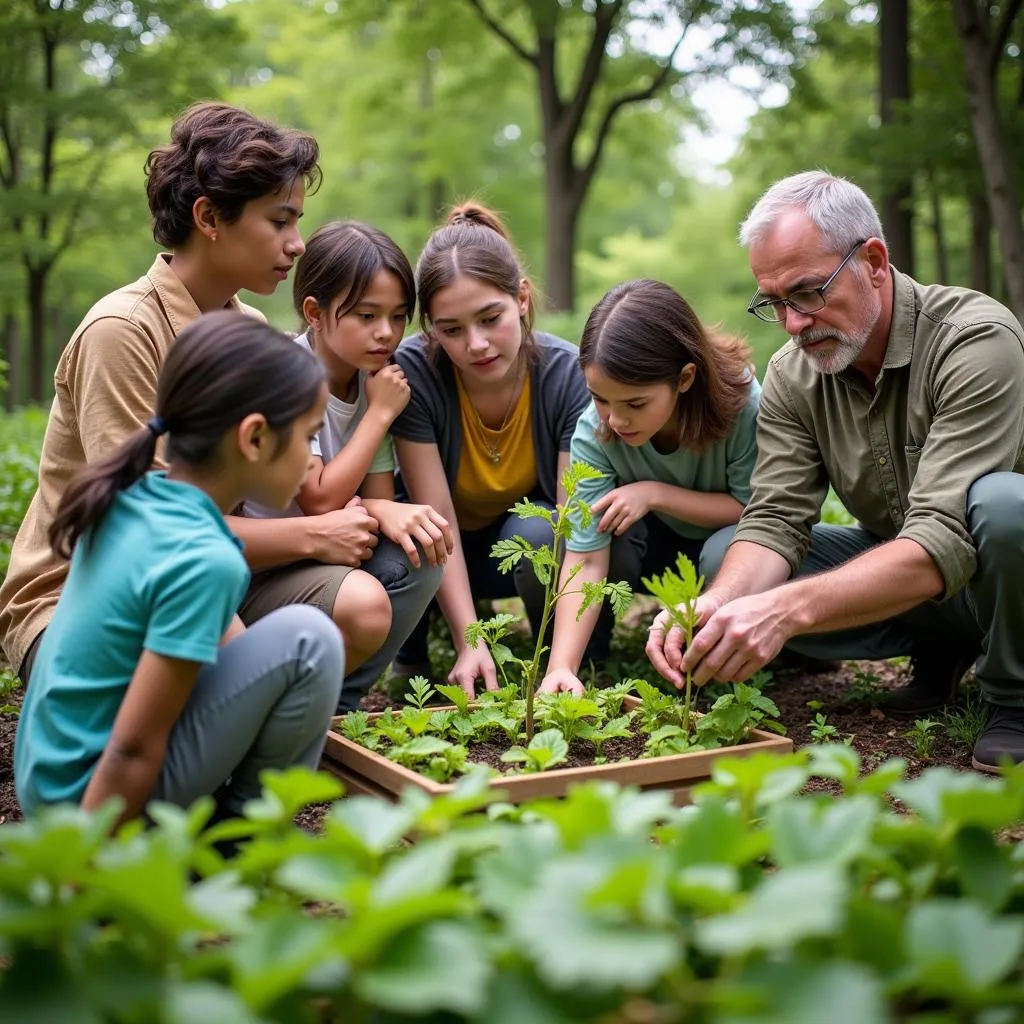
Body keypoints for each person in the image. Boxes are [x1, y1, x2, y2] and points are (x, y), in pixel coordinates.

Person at [645, 170, 1024, 773]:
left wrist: (784, 611)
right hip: (915, 581)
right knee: (725, 562)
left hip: (999, 578)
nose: (793, 323)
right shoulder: (795, 375)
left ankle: (1013, 694)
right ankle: (943, 643)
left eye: (806, 293)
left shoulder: (974, 341)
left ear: (873, 260)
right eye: (773, 303)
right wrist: (716, 608)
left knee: (1006, 507)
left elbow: (941, 538)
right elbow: (774, 520)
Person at [0, 101, 378, 695]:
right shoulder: (122, 331)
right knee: (216, 670)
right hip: (96, 599)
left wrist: (377, 507)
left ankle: (287, 721)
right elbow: (142, 529)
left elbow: (297, 477)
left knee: (369, 600)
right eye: (280, 221)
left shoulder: (249, 327)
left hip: (218, 574)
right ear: (208, 217)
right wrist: (312, 535)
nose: (298, 244)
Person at [14, 311, 343, 825]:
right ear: (254, 438)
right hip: (90, 810)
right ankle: (243, 841)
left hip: (47, 781)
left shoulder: (130, 497)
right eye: (307, 435)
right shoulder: (206, 559)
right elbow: (130, 749)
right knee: (309, 640)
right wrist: (77, 881)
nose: (310, 459)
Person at [241, 221, 452, 711]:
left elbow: (376, 494)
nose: (386, 333)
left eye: (399, 316)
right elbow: (317, 498)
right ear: (314, 313)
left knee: (420, 549)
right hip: (257, 571)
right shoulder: (290, 375)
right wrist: (379, 415)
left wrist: (390, 511)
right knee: (366, 597)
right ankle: (294, 701)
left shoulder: (371, 381)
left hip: (320, 559)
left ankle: (337, 704)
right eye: (366, 315)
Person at [390, 203, 589, 696]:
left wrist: (564, 659)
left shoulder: (567, 375)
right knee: (403, 530)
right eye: (451, 329)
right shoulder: (414, 373)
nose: (476, 344)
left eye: (490, 318)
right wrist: (471, 639)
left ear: (521, 298)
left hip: (524, 550)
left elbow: (573, 522)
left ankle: (577, 655)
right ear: (430, 327)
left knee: (543, 530)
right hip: (444, 551)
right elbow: (436, 514)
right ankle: (409, 655)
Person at [539, 279, 759, 696]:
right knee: (568, 533)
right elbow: (584, 558)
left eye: (635, 404)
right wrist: (559, 667)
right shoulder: (593, 430)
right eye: (600, 399)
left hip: (725, 554)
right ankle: (588, 659)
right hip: (649, 551)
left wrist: (654, 493)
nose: (615, 420)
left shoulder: (742, 404)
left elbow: (755, 509)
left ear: (685, 378)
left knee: (721, 551)